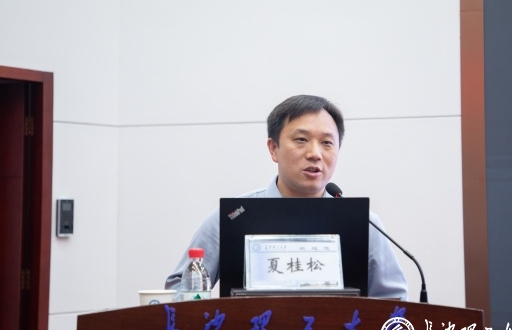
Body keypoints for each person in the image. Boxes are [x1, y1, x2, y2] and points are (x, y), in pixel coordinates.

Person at [165, 95, 408, 299]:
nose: (315, 153)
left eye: (327, 143)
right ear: (274, 149)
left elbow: (394, 302)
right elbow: (180, 289)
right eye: (301, 140)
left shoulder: (365, 223)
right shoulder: (233, 216)